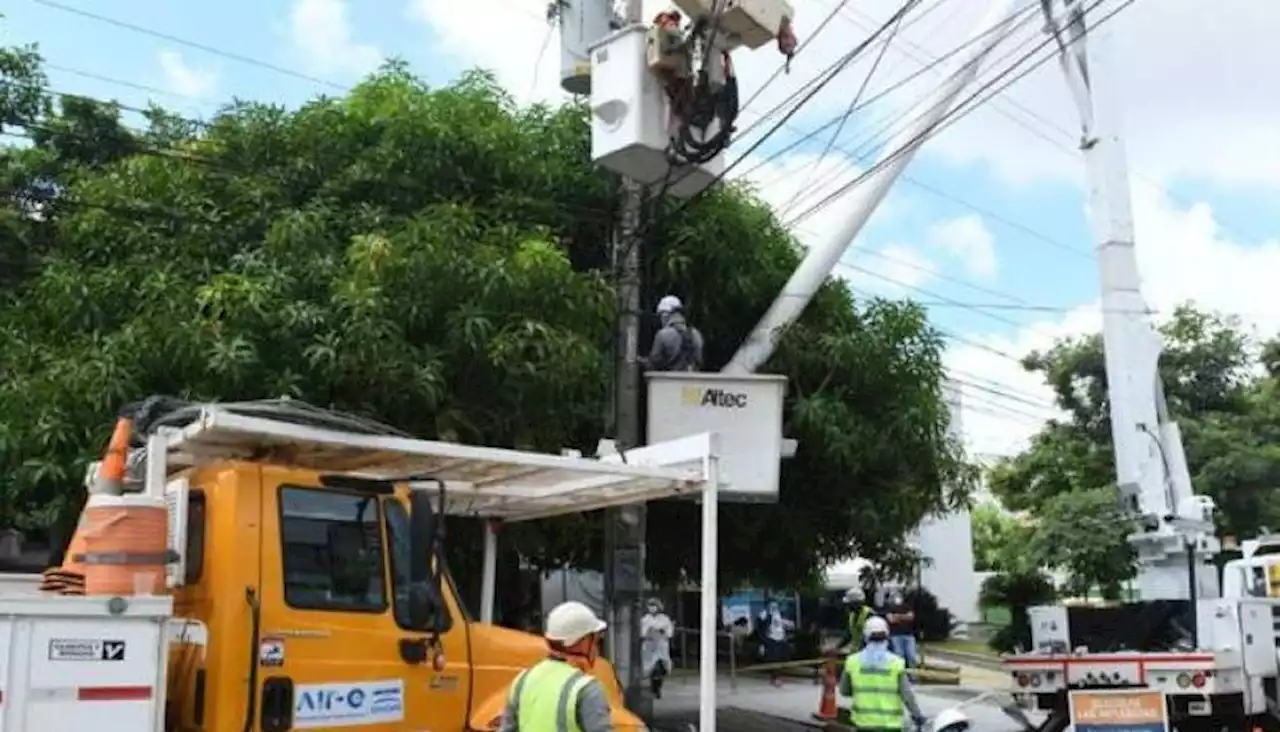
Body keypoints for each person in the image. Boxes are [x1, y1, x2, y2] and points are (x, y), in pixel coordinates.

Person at [498, 601, 613, 732]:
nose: (596, 648)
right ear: (582, 642)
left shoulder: (522, 681)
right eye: (595, 640)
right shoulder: (586, 689)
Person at [839, 616, 926, 732]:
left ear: (865, 636)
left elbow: (844, 691)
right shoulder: (896, 663)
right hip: (890, 726)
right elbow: (907, 695)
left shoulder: (852, 661)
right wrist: (917, 715)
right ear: (887, 636)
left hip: (864, 725)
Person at [645, 295, 704, 372]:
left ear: (665, 315)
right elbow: (698, 360)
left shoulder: (662, 334)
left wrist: (643, 361)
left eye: (660, 316)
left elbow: (655, 362)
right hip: (691, 382)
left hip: (668, 381)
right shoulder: (696, 334)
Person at [640, 597, 674, 699]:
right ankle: (654, 688)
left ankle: (657, 687)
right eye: (650, 606)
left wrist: (663, 631)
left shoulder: (665, 619)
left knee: (660, 667)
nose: (652, 608)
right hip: (649, 646)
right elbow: (642, 633)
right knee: (652, 668)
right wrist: (649, 631)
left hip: (661, 645)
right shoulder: (645, 619)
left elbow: (670, 632)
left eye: (654, 606)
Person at [757, 599, 794, 687]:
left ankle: (778, 676)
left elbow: (782, 622)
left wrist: (788, 624)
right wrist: (763, 642)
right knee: (775, 658)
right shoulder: (765, 613)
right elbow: (761, 624)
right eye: (772, 605)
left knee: (783, 657)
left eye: (775, 605)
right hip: (772, 639)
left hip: (781, 638)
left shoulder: (779, 613)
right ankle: (774, 678)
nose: (774, 607)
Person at [885, 589, 918, 668]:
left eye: (898, 596)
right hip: (895, 636)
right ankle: (902, 676)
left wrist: (897, 616)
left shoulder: (907, 606)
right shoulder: (889, 608)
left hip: (909, 635)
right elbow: (891, 620)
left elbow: (911, 617)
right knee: (899, 656)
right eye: (894, 596)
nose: (896, 598)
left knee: (912, 656)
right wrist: (904, 616)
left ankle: (913, 676)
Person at [837, 587, 873, 653]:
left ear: (856, 603)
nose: (847, 606)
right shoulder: (852, 615)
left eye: (849, 604)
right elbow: (848, 635)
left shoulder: (870, 614)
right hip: (856, 653)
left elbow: (872, 638)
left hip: (867, 653)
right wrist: (837, 648)